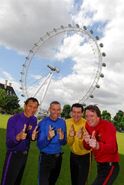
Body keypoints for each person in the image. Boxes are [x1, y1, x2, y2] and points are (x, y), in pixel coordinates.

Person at [0, 97, 39, 185]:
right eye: (30, 106)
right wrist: (17, 137)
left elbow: (30, 136)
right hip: (13, 154)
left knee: (17, 181)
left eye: (35, 107)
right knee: (7, 182)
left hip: (24, 155)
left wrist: (33, 137)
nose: (32, 109)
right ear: (25, 105)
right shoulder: (13, 119)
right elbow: (9, 143)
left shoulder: (34, 120)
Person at [83, 105, 120, 185]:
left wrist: (97, 145)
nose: (88, 119)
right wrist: (86, 141)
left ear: (98, 117)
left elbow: (113, 148)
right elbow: (87, 147)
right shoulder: (87, 125)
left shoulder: (108, 126)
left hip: (110, 166)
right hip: (100, 165)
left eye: (92, 116)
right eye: (86, 116)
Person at [37, 101, 66, 185]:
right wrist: (48, 138)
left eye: (58, 110)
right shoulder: (42, 123)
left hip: (58, 158)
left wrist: (61, 139)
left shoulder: (62, 122)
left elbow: (64, 142)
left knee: (52, 182)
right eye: (53, 109)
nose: (56, 112)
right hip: (45, 158)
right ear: (49, 109)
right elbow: (40, 145)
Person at [66, 103, 91, 185]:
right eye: (74, 112)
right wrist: (71, 136)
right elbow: (69, 143)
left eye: (78, 112)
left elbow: (88, 146)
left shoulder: (87, 124)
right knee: (74, 181)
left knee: (81, 182)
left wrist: (80, 139)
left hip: (85, 157)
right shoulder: (67, 122)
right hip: (73, 156)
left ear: (82, 113)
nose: (76, 115)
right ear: (71, 113)